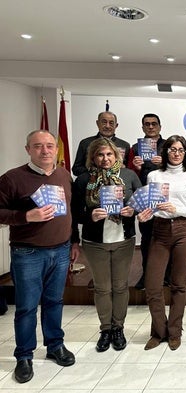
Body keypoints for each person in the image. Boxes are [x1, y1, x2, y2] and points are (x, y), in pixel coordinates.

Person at [0, 130, 80, 383]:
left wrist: (74, 242)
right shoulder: (12, 178)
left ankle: (55, 345)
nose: (45, 151)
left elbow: (72, 212)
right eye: (38, 146)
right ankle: (24, 356)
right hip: (28, 252)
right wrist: (25, 216)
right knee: (26, 307)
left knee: (55, 301)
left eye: (49, 146)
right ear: (28, 150)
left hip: (61, 249)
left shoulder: (64, 175)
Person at [72, 138, 141, 352]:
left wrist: (133, 211)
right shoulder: (83, 179)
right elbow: (75, 213)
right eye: (100, 155)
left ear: (116, 155)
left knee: (120, 287)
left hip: (123, 240)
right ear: (93, 157)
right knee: (102, 288)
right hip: (95, 242)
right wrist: (89, 215)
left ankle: (118, 328)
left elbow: (141, 202)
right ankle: (106, 329)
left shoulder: (129, 175)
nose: (105, 159)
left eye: (109, 154)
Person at [139, 135, 186, 351]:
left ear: (185, 153)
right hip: (160, 230)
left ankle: (175, 331)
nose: (176, 153)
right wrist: (144, 215)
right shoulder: (153, 175)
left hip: (184, 230)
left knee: (178, 284)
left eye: (181, 150)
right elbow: (151, 207)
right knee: (153, 285)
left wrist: (177, 209)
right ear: (165, 151)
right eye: (172, 149)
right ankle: (159, 331)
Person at [128, 113, 166, 290]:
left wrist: (164, 163)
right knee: (147, 239)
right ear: (142, 127)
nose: (150, 127)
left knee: (166, 239)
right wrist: (136, 167)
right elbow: (128, 176)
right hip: (145, 200)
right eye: (147, 124)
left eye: (154, 124)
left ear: (160, 126)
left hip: (166, 199)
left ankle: (166, 275)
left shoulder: (168, 146)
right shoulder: (135, 148)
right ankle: (147, 275)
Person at [72, 111, 130, 177]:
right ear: (97, 123)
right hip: (90, 183)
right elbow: (76, 169)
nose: (107, 126)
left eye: (111, 123)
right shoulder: (85, 143)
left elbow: (129, 170)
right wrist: (95, 171)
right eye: (104, 122)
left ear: (116, 126)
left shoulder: (124, 145)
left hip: (118, 184)